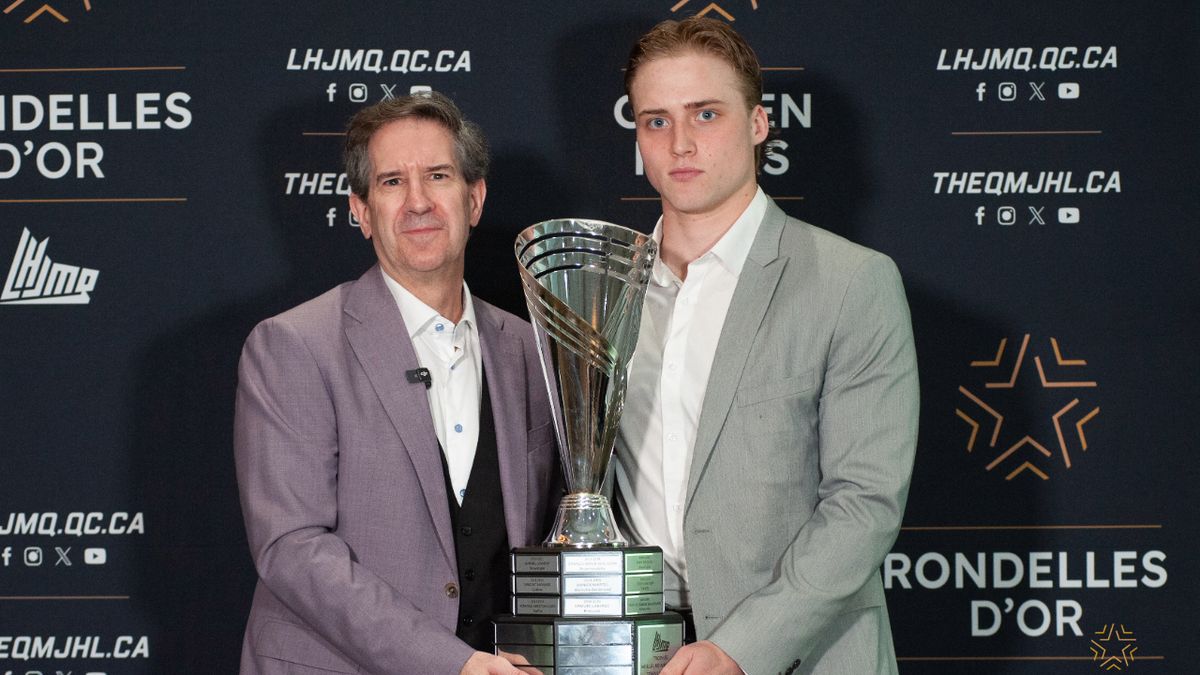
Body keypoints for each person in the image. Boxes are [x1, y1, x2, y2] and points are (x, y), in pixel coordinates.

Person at [612, 17, 919, 675]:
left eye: (706, 114)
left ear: (758, 124)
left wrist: (740, 648)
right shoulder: (605, 291)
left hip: (805, 656)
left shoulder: (852, 282)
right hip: (638, 654)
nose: (681, 142)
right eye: (657, 121)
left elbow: (864, 503)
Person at [234, 92, 557, 675]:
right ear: (361, 211)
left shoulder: (530, 351)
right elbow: (292, 548)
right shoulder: (294, 346)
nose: (418, 202)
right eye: (391, 182)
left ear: (474, 199)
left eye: (438, 175)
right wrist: (452, 663)